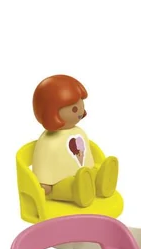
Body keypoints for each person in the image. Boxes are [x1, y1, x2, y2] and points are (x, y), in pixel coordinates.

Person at [32, 75, 119, 207]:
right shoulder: (48, 141)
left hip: (85, 175)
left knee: (90, 175)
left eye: (81, 105)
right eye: (74, 109)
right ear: (52, 112)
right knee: (70, 187)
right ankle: (80, 192)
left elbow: (86, 155)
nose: (80, 112)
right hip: (59, 183)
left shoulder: (79, 132)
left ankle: (101, 184)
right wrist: (44, 183)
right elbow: (42, 162)